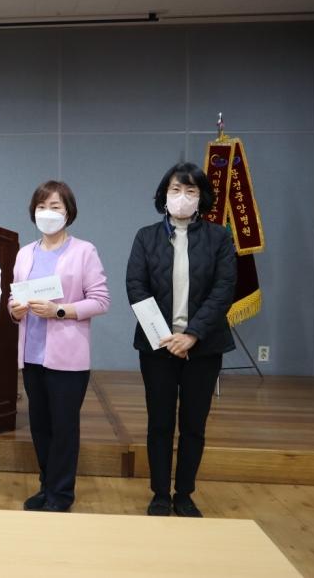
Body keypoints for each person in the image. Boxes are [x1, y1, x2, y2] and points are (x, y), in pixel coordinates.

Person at [126, 162, 236, 518]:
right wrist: (165, 336)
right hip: (157, 347)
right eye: (176, 189)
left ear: (202, 197)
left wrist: (191, 334)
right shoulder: (146, 237)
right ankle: (160, 493)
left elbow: (223, 290)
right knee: (159, 422)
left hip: (203, 347)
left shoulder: (220, 237)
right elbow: (136, 286)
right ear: (164, 195)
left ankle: (184, 493)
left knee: (193, 424)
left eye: (191, 191)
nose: (183, 197)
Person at [9, 181, 110, 513]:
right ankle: (46, 485)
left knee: (64, 427)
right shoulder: (25, 253)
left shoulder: (84, 251)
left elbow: (100, 300)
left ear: (69, 212)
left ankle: (62, 493)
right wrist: (14, 309)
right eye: (41, 207)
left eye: (55, 207)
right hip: (32, 355)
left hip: (67, 358)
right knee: (40, 426)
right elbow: (14, 297)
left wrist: (60, 311)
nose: (47, 213)